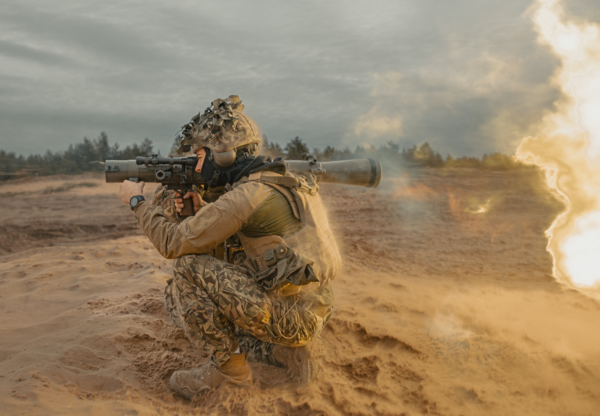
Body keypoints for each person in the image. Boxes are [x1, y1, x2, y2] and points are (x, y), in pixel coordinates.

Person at [118, 95, 341, 399]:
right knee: (222, 286)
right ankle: (284, 353)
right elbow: (257, 240)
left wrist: (137, 201)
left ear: (223, 156)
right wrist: (204, 208)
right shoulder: (282, 181)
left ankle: (230, 374)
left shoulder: (247, 195)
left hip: (291, 318)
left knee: (187, 269)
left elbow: (172, 243)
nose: (197, 162)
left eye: (202, 154)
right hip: (314, 308)